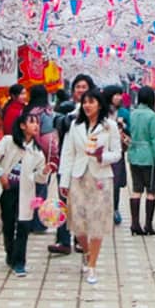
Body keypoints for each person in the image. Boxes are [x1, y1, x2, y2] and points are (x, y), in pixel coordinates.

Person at [58, 88, 122, 285]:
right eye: (85, 102)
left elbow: (117, 153)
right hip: (78, 176)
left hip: (100, 178)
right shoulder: (75, 126)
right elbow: (67, 154)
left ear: (100, 105)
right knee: (77, 223)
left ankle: (92, 265)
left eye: (91, 102)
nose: (87, 105)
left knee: (97, 223)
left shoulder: (109, 126)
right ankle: (86, 251)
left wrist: (102, 157)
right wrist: (63, 181)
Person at [0, 111, 52, 276]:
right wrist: (0, 174)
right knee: (8, 224)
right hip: (8, 191)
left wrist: (44, 171)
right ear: (22, 126)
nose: (36, 125)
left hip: (26, 192)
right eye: (31, 122)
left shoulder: (38, 152)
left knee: (23, 226)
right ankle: (10, 253)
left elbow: (39, 179)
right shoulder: (8, 142)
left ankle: (19, 262)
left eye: (37, 123)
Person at [48, 73, 95, 255]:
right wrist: (72, 117)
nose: (81, 91)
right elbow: (57, 123)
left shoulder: (97, 111)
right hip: (67, 161)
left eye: (84, 87)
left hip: (86, 164)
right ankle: (63, 240)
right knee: (64, 200)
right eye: (78, 87)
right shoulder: (66, 107)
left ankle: (79, 239)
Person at [127, 86, 155, 236]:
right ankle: (148, 225)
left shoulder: (133, 114)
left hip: (134, 155)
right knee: (151, 191)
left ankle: (134, 224)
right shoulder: (152, 116)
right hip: (148, 157)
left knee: (136, 190)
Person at [24, 85, 59, 233]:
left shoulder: (28, 111)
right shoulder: (46, 112)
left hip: (29, 151)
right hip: (44, 154)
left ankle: (27, 220)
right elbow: (48, 133)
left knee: (29, 188)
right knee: (42, 187)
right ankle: (38, 223)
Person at [103, 85, 128, 225]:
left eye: (120, 94)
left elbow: (131, 131)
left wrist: (124, 126)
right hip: (103, 152)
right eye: (116, 94)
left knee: (116, 183)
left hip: (117, 153)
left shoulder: (123, 112)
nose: (119, 97)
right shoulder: (101, 111)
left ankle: (115, 209)